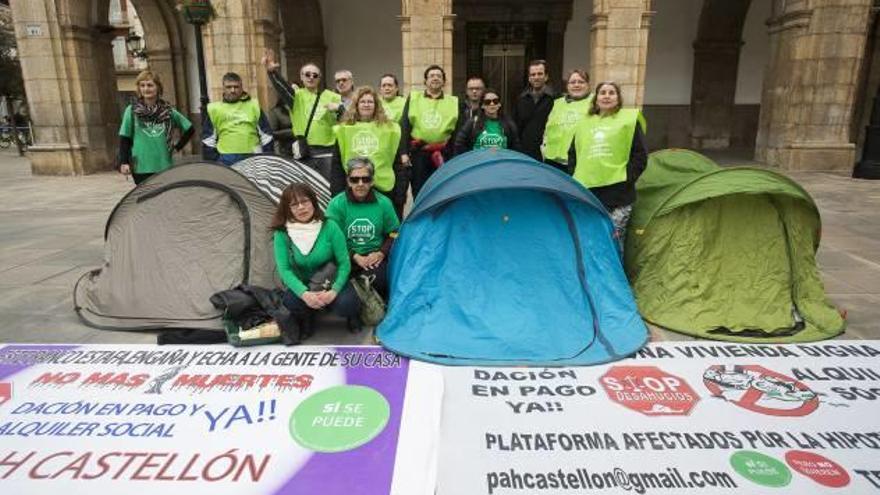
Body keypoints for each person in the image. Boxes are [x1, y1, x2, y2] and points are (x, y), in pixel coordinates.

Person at [271, 183, 361, 340]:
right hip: (304, 283)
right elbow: (284, 270)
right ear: (287, 209)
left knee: (347, 304)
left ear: (313, 202)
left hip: (330, 279)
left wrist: (334, 290)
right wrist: (304, 294)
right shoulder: (282, 233)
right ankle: (307, 317)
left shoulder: (330, 226)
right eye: (294, 204)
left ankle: (353, 316)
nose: (301, 208)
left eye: (305, 201)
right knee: (290, 302)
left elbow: (344, 263)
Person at [569, 81, 647, 245]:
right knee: (590, 238)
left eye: (611, 93)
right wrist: (575, 176)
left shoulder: (629, 120)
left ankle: (613, 271)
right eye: (602, 92)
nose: (606, 96)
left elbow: (639, 156)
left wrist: (627, 178)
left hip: (619, 194)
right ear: (596, 98)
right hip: (589, 193)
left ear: (618, 98)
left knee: (614, 240)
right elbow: (573, 154)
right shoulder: (584, 124)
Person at [326, 158, 400, 300]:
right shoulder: (336, 204)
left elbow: (395, 233)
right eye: (355, 179)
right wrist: (354, 256)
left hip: (374, 260)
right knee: (346, 303)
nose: (360, 184)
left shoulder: (384, 203)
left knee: (382, 281)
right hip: (344, 259)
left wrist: (381, 253)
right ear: (348, 181)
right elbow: (329, 238)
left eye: (365, 179)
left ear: (372, 181)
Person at [263, 50, 342, 180]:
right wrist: (272, 72)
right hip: (305, 151)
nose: (311, 77)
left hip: (327, 151)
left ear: (319, 78)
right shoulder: (297, 96)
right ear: (301, 76)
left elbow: (344, 120)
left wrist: (339, 108)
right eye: (307, 74)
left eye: (315, 75)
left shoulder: (333, 96)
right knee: (307, 189)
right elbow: (283, 89)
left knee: (329, 188)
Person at [117, 70, 194, 185]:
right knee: (146, 200)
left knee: (165, 199)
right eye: (142, 85)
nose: (146, 89)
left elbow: (190, 129)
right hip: (141, 166)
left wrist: (177, 147)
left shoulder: (168, 111)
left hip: (164, 164)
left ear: (158, 87)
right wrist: (124, 162)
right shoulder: (132, 111)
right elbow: (125, 138)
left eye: (150, 85)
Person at [331, 86, 402, 204]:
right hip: (354, 187)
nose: (366, 104)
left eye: (370, 102)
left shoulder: (390, 129)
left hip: (383, 188)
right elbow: (337, 164)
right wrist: (336, 193)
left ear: (376, 105)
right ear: (356, 105)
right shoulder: (343, 129)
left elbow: (398, 164)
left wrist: (400, 194)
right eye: (362, 101)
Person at [400, 64, 459, 199]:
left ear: (444, 81)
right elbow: (405, 125)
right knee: (419, 189)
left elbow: (457, 131)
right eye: (431, 76)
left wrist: (455, 155)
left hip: (443, 153)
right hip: (419, 152)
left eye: (439, 76)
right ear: (425, 81)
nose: (435, 78)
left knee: (443, 189)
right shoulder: (414, 98)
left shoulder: (454, 101)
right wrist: (403, 153)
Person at [202, 72, 274, 166]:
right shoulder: (214, 109)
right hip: (225, 159)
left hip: (252, 157)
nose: (233, 90)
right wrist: (215, 161)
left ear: (242, 87)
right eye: (229, 87)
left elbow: (266, 135)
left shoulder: (253, 105)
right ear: (223, 88)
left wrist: (267, 159)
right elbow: (208, 139)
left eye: (236, 87)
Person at [542, 69, 593, 173]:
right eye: (572, 82)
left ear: (588, 85)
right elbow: (548, 128)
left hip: (579, 162)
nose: (576, 85)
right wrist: (544, 148)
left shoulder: (595, 103)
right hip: (553, 161)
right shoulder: (558, 103)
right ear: (567, 85)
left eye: (581, 82)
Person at [378, 74, 409, 219]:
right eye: (384, 85)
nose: (387, 88)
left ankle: (396, 230)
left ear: (397, 88)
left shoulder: (404, 103)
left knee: (399, 194)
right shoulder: (375, 103)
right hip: (381, 155)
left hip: (399, 155)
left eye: (390, 85)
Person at [453, 88, 520, 155]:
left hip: (501, 163)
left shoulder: (509, 124)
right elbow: (459, 144)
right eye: (487, 102)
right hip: (480, 163)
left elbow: (515, 147)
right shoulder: (473, 122)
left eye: (495, 101)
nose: (492, 104)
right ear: (482, 105)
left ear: (499, 104)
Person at [512, 59, 556, 161]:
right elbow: (516, 127)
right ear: (529, 78)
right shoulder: (521, 100)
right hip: (525, 154)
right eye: (533, 74)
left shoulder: (556, 99)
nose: (536, 77)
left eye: (540, 74)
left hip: (549, 155)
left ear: (546, 77)